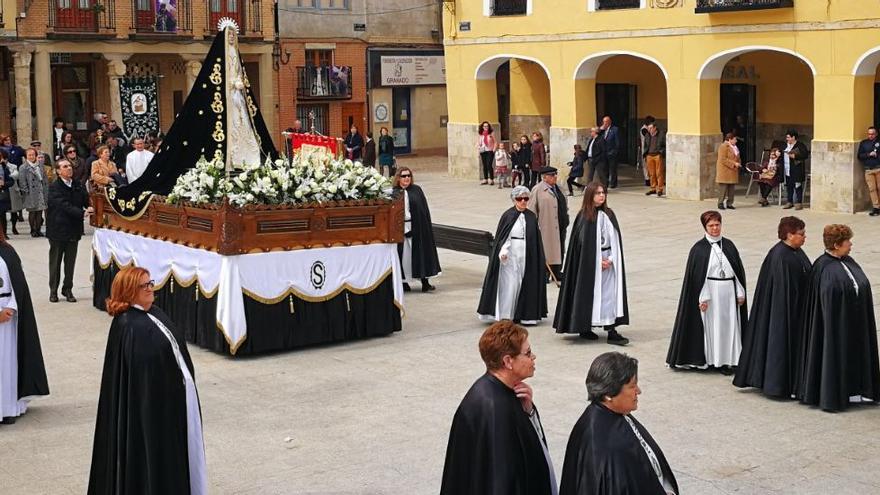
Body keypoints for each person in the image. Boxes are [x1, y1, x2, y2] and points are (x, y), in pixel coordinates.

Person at [88, 267, 207, 493]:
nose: (151, 289)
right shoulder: (130, 327)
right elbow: (141, 382)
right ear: (130, 291)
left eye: (150, 283)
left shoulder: (154, 314)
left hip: (175, 406)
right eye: (144, 286)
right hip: (153, 414)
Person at [440, 321, 556, 495]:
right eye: (528, 353)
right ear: (508, 361)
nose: (534, 358)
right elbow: (502, 480)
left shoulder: (502, 391)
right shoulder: (495, 408)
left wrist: (529, 412)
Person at [559, 352, 678, 495]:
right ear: (609, 394)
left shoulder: (612, 415)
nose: (638, 391)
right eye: (632, 386)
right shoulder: (606, 443)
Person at [796, 224, 880, 412]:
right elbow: (827, 300)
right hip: (836, 326)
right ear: (836, 245)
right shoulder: (823, 268)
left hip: (853, 322)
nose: (850, 245)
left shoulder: (848, 261)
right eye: (847, 242)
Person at [733, 217, 811, 398]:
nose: (805, 237)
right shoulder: (780, 257)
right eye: (801, 234)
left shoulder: (796, 251)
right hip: (784, 313)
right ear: (790, 235)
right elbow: (782, 292)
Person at [667, 210, 747, 374]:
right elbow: (697, 278)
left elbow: (737, 272)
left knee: (729, 327)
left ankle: (728, 360)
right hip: (711, 294)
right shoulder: (699, 249)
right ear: (705, 227)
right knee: (714, 328)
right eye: (711, 225)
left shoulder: (729, 245)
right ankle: (713, 360)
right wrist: (703, 297)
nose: (715, 229)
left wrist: (740, 292)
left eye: (717, 225)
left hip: (729, 293)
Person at [554, 182, 629, 345]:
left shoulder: (609, 214)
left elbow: (615, 240)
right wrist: (596, 261)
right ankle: (584, 326)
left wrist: (610, 259)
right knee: (588, 294)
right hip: (589, 265)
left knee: (609, 295)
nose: (602, 196)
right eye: (598, 193)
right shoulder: (585, 216)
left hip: (609, 261)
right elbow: (581, 245)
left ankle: (611, 329)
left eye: (603, 193)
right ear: (590, 196)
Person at [477, 186, 547, 324]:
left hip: (527, 255)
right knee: (511, 285)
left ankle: (524, 315)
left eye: (526, 198)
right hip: (511, 255)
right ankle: (506, 314)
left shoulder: (531, 217)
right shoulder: (508, 216)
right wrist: (503, 252)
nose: (523, 201)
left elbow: (535, 239)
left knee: (525, 283)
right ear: (514, 199)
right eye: (519, 199)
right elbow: (503, 237)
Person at [0, 231, 49, 425]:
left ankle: (8, 407)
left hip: (7, 319)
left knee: (7, 364)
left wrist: (10, 308)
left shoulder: (8, 253)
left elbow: (19, 286)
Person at [46, 159, 90, 303]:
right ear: (58, 171)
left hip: (74, 229)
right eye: (65, 167)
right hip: (58, 229)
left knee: (70, 262)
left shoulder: (77, 184)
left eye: (70, 166)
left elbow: (86, 199)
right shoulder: (54, 187)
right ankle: (53, 291)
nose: (69, 168)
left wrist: (90, 205)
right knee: (56, 262)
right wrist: (81, 212)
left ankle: (68, 289)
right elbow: (63, 205)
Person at [393, 167, 441, 292]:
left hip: (417, 227)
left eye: (408, 175)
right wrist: (402, 229)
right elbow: (393, 215)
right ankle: (404, 283)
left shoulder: (416, 190)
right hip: (401, 229)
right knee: (404, 257)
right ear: (398, 178)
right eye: (403, 176)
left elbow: (423, 211)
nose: (407, 178)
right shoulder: (394, 193)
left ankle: (425, 282)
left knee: (420, 254)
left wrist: (418, 228)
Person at [528, 166, 569, 283]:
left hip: (560, 224)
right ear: (544, 177)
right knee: (546, 249)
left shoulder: (559, 188)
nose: (555, 177)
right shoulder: (537, 190)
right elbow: (531, 210)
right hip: (546, 225)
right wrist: (533, 226)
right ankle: (544, 273)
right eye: (552, 175)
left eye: (555, 174)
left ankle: (557, 272)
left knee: (559, 248)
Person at [19, 148, 49, 238]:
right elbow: (22, 181)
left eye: (33, 155)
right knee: (32, 212)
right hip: (31, 192)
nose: (32, 157)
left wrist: (46, 188)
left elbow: (44, 177)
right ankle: (33, 230)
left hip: (40, 190)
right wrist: (26, 191)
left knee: (39, 211)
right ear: (26, 156)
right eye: (29, 155)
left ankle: (38, 230)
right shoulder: (23, 167)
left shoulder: (40, 165)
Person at [782, 129, 809, 210]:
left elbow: (805, 155)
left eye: (789, 137)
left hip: (796, 169)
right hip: (787, 169)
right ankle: (789, 201)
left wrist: (795, 156)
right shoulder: (785, 145)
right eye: (787, 137)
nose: (787, 139)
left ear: (793, 137)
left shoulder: (800, 145)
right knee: (789, 186)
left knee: (797, 186)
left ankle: (799, 202)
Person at [856, 126, 880, 216]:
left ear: (876, 134)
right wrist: (868, 154)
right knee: (872, 189)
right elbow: (859, 156)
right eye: (869, 134)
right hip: (868, 170)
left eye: (872, 134)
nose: (870, 136)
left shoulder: (879, 142)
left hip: (878, 168)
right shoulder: (864, 143)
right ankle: (876, 207)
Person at [716, 132, 741, 210]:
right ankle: (720, 203)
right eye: (735, 139)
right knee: (723, 188)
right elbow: (723, 159)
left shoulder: (735, 147)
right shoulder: (723, 147)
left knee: (731, 188)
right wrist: (734, 163)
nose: (736, 141)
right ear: (730, 139)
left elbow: (738, 157)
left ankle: (730, 203)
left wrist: (739, 163)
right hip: (725, 170)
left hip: (733, 170)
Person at [643, 122, 666, 197]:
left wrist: (662, 152)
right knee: (651, 173)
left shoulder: (661, 134)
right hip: (649, 155)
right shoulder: (647, 135)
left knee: (659, 173)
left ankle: (660, 189)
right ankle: (653, 188)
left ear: (655, 128)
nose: (649, 130)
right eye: (648, 128)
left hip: (658, 155)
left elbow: (665, 144)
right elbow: (646, 145)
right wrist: (645, 154)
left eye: (651, 128)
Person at [600, 115, 620, 188]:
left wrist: (615, 151)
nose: (604, 123)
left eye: (606, 121)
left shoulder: (615, 129)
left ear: (609, 122)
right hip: (604, 152)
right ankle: (606, 182)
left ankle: (613, 183)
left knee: (613, 169)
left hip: (611, 152)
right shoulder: (602, 130)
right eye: (603, 121)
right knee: (605, 169)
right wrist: (601, 130)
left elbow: (617, 142)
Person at [476, 121, 497, 186]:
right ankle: (485, 179)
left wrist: (494, 149)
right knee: (484, 165)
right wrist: (478, 147)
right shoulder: (481, 134)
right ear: (482, 127)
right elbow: (478, 142)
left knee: (489, 164)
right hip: (483, 151)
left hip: (490, 151)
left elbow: (495, 142)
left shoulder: (491, 134)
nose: (486, 127)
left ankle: (491, 179)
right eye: (484, 126)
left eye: (487, 126)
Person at [0, 150, 13, 236]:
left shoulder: (4, 168)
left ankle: (3, 234)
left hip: (2, 195)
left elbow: (11, 181)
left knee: (2, 216)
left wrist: (4, 183)